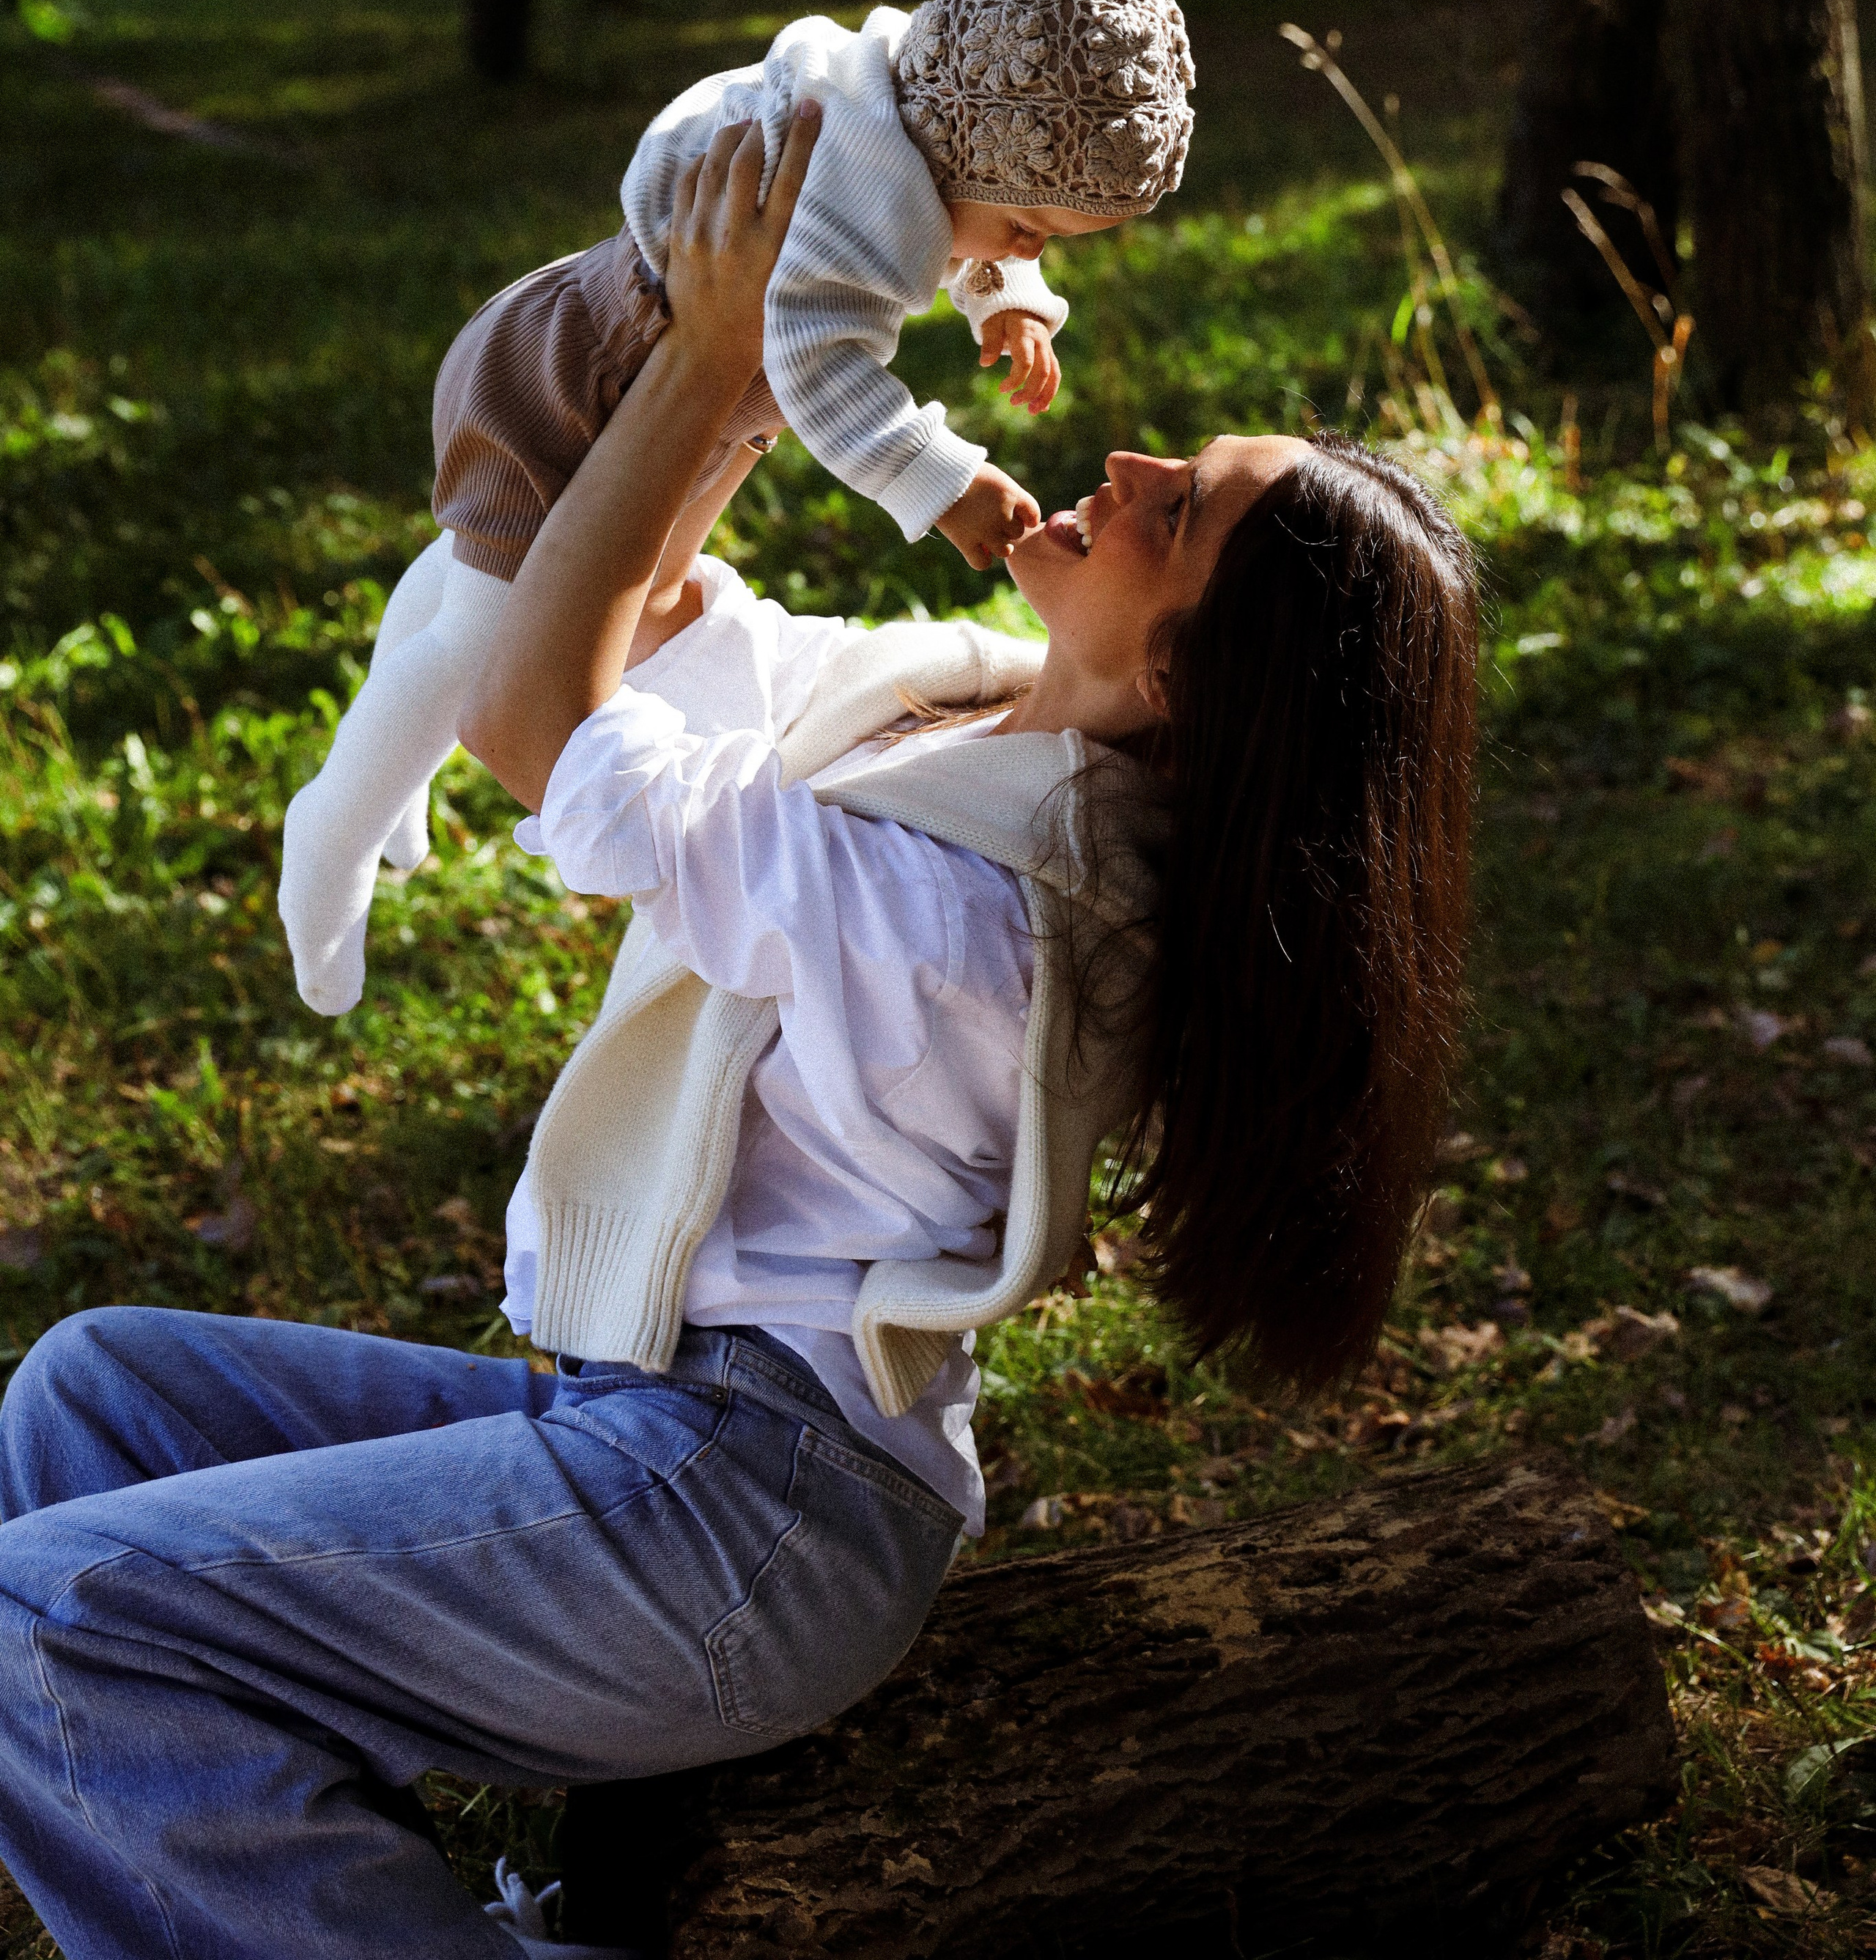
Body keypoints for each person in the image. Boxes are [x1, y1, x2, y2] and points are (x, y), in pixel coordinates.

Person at [0, 110, 1476, 1960]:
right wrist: (760, 355)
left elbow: (540, 723)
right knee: (94, 1397)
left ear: (1186, 675)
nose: (1126, 460)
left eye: (1176, 509)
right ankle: (260, 1842)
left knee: (46, 1610)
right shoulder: (965, 713)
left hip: (739, 1519)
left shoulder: (977, 910)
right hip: (650, 1428)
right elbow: (662, 631)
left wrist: (708, 368)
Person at [278, 0, 1197, 1017]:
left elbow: (965, 212)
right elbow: (818, 372)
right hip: (578, 384)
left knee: (475, 571)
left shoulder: (905, 113)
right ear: (965, 164)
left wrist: (1004, 298)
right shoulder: (852, 201)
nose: (1028, 252)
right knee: (482, 636)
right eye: (1026, 230)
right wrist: (941, 482)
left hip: (634, 362)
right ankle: (331, 828)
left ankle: (391, 773)